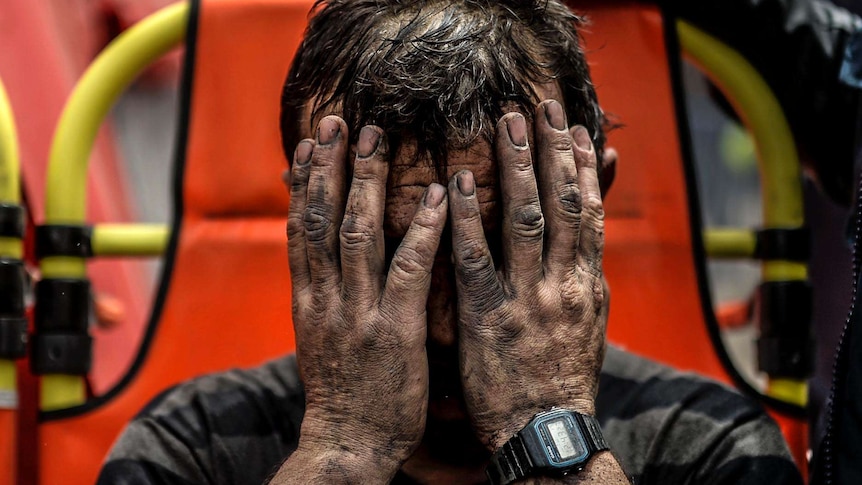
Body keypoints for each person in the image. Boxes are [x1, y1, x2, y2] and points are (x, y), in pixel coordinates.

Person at [98, 1, 803, 483]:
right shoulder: (194, 445)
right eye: (386, 250)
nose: (440, 325)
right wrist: (344, 449)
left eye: (494, 249)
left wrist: (546, 430)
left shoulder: (708, 445)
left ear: (590, 207)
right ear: (309, 218)